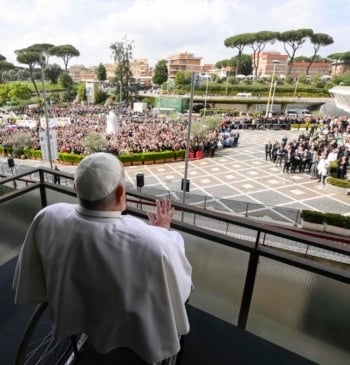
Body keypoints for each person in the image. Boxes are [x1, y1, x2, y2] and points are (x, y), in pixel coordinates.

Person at [13, 152, 192, 364]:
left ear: (76, 188)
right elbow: (180, 288)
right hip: (128, 322)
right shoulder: (154, 243)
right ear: (119, 194)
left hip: (73, 304)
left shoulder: (49, 214)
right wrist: (162, 231)